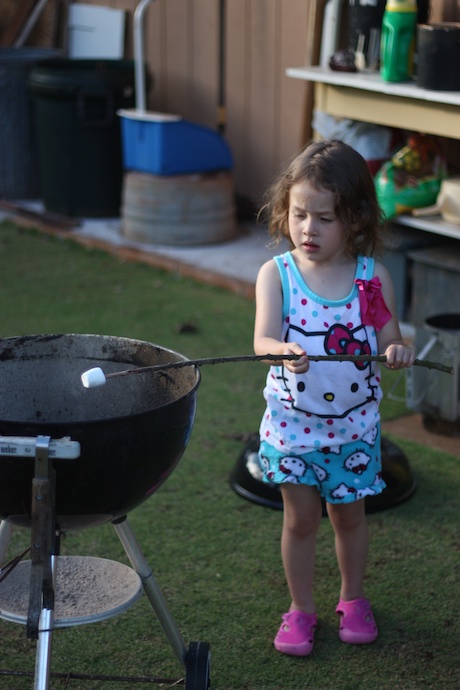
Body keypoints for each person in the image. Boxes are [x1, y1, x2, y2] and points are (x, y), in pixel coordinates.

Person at [253, 139, 415, 657]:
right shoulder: (276, 275)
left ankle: (353, 599)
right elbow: (261, 342)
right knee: (299, 520)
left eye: (324, 218)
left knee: (349, 517)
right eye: (299, 214)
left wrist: (397, 350)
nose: (308, 229)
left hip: (352, 431)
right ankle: (300, 610)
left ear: (356, 219)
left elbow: (391, 336)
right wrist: (281, 351)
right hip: (292, 429)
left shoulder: (371, 280)